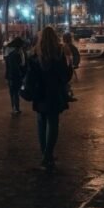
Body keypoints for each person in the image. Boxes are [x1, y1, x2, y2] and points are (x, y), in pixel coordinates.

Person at [27, 26, 72, 170]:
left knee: (41, 122)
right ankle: (48, 155)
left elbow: (30, 75)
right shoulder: (59, 52)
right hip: (54, 93)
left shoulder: (34, 53)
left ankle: (45, 154)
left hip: (39, 93)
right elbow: (65, 76)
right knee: (53, 123)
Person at [4, 37, 27, 115]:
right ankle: (15, 108)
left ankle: (15, 108)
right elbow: (17, 66)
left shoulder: (10, 52)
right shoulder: (15, 54)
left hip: (11, 76)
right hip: (14, 76)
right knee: (15, 93)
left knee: (14, 93)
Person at [62, 32, 81, 102]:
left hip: (66, 67)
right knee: (67, 82)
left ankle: (68, 94)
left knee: (67, 82)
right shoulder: (70, 47)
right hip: (68, 67)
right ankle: (68, 94)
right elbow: (76, 56)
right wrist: (74, 64)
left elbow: (76, 56)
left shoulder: (63, 46)